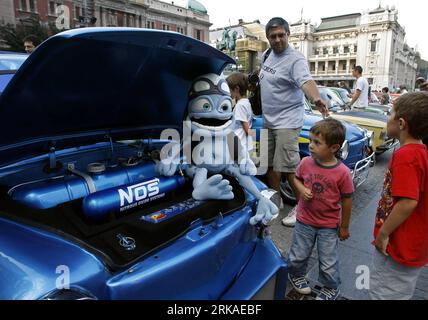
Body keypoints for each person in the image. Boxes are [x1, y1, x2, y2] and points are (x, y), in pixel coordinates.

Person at [259, 17, 328, 226]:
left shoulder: (296, 59)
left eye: (281, 35)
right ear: (268, 38)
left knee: (289, 168)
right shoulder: (267, 55)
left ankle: (302, 209)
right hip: (268, 120)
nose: (278, 39)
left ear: (288, 34)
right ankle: (276, 201)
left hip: (287, 121)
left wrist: (316, 98)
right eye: (273, 36)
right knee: (269, 165)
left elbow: (306, 81)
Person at [287, 118, 354, 300]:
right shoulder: (306, 162)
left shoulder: (343, 173)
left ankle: (331, 287)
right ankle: (296, 275)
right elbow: (296, 179)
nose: (311, 145)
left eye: (317, 142)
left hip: (328, 225)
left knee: (328, 261)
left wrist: (345, 226)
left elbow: (347, 200)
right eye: (310, 141)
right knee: (298, 254)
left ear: (333, 148)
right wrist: (301, 190)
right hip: (304, 220)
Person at [369, 92, 428, 300]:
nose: (387, 117)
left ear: (401, 123)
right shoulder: (420, 151)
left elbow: (408, 202)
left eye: (390, 113)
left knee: (383, 293)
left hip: (396, 245)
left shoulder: (406, 156)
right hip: (409, 245)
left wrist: (383, 234)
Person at [226, 72, 254, 160]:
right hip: (245, 145)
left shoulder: (240, 106)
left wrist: (253, 137)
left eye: (229, 90)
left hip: (240, 145)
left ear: (236, 89)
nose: (228, 93)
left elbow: (245, 126)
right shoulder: (246, 102)